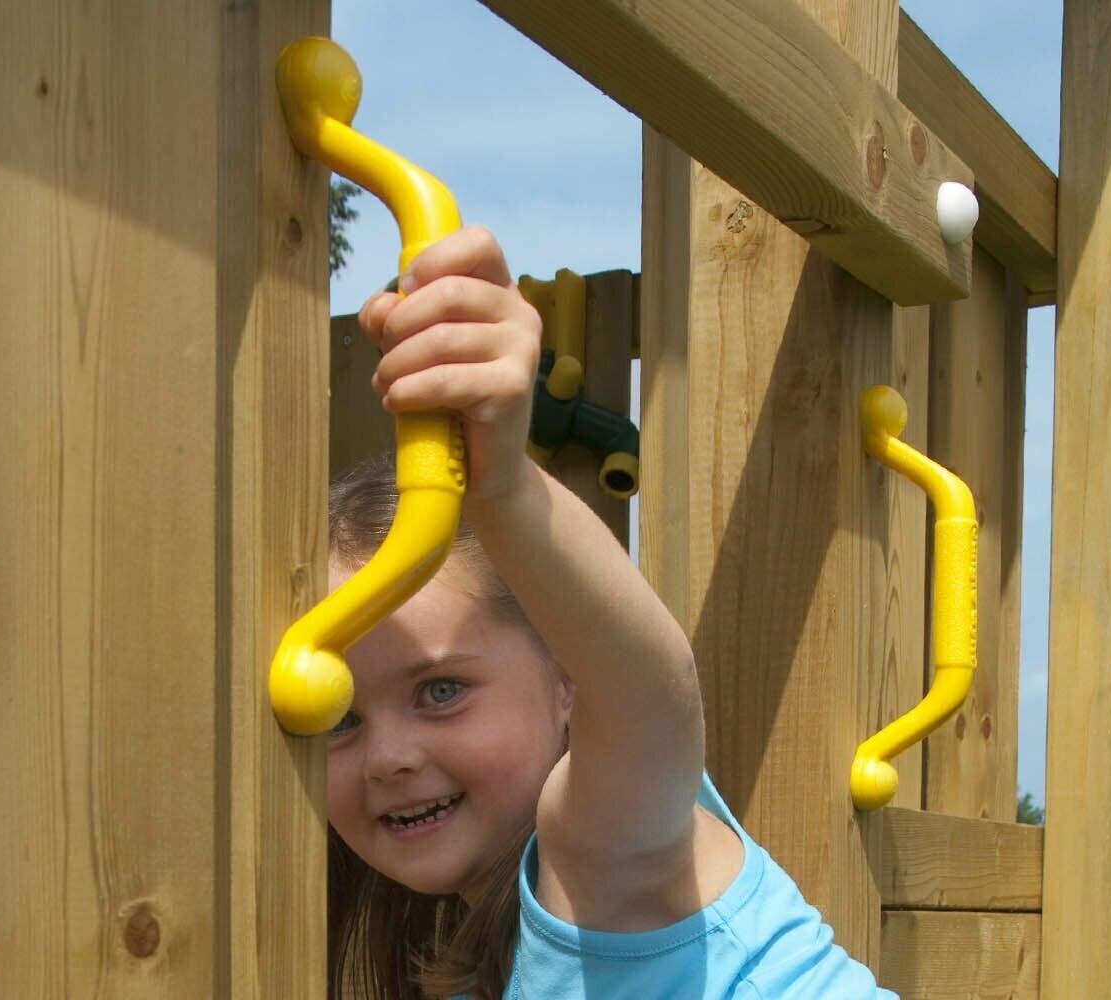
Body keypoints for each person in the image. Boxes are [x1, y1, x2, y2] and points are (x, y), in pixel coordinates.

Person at [324, 225, 900, 1000]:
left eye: (440, 691)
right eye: (341, 718)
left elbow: (652, 698)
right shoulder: (480, 946)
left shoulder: (601, 846)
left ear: (568, 680)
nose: (388, 755)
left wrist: (504, 487)